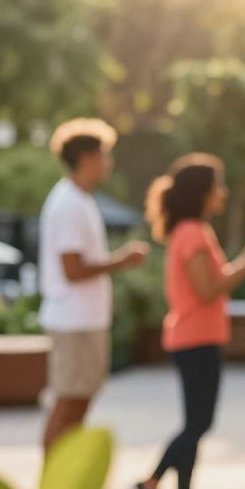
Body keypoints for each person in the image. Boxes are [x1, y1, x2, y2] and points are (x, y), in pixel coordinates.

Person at [135, 154, 245, 489]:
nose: (223, 193)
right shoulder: (192, 233)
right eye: (218, 186)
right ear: (202, 192)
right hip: (194, 339)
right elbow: (209, 289)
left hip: (198, 337)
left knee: (195, 423)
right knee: (198, 423)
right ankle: (150, 485)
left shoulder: (192, 231)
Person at [38, 118, 149, 454]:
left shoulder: (80, 200)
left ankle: (69, 487)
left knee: (79, 403)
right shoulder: (69, 203)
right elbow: (72, 270)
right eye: (104, 155)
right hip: (72, 321)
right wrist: (123, 260)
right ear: (87, 158)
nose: (109, 163)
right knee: (68, 403)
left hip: (83, 320)